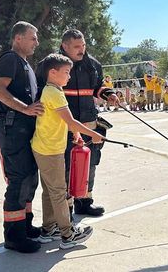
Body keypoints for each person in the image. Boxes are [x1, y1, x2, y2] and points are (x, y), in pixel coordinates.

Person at [32, 54, 103, 249]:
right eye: (66, 73)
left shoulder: (52, 90)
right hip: (50, 149)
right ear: (52, 73)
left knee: (49, 191)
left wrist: (77, 135)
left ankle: (49, 229)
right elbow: (71, 120)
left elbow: (64, 120)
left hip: (45, 147)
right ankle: (68, 234)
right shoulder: (54, 93)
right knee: (58, 192)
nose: (69, 77)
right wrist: (92, 134)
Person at [0, 21, 44, 253]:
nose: (36, 42)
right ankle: (13, 236)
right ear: (18, 38)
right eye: (32, 38)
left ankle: (25, 225)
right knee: (19, 180)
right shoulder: (10, 59)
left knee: (30, 178)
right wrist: (25, 108)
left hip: (25, 129)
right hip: (12, 129)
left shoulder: (26, 65)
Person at [59, 29, 118, 218]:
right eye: (76, 47)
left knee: (89, 163)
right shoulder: (53, 65)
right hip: (64, 126)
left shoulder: (93, 65)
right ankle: (65, 208)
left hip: (89, 123)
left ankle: (84, 202)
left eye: (83, 45)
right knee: (66, 166)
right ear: (64, 46)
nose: (81, 50)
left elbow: (98, 87)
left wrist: (109, 94)